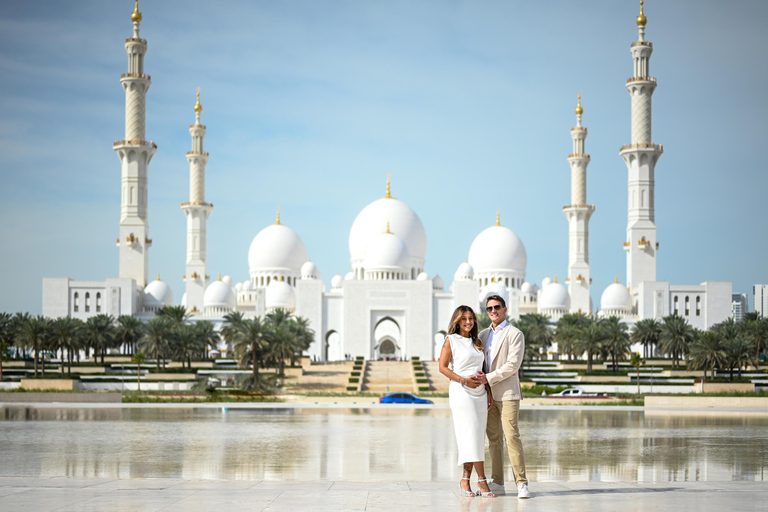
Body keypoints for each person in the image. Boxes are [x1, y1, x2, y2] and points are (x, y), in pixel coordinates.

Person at [473, 295, 530, 499]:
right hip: (488, 396)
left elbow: (512, 365)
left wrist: (488, 378)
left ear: (505, 309)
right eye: (489, 308)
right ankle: (497, 482)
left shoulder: (515, 334)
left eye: (497, 307)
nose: (493, 311)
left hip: (507, 394)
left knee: (512, 437)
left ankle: (521, 483)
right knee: (494, 440)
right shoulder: (483, 334)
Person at [439, 305, 495, 498]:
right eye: (464, 319)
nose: (468, 322)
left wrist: (488, 390)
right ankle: (481, 480)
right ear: (457, 320)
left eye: (471, 318)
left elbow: (483, 368)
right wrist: (464, 380)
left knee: (476, 437)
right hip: (461, 392)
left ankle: (465, 480)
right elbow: (442, 367)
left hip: (480, 393)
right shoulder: (451, 340)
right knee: (470, 435)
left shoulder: (477, 342)